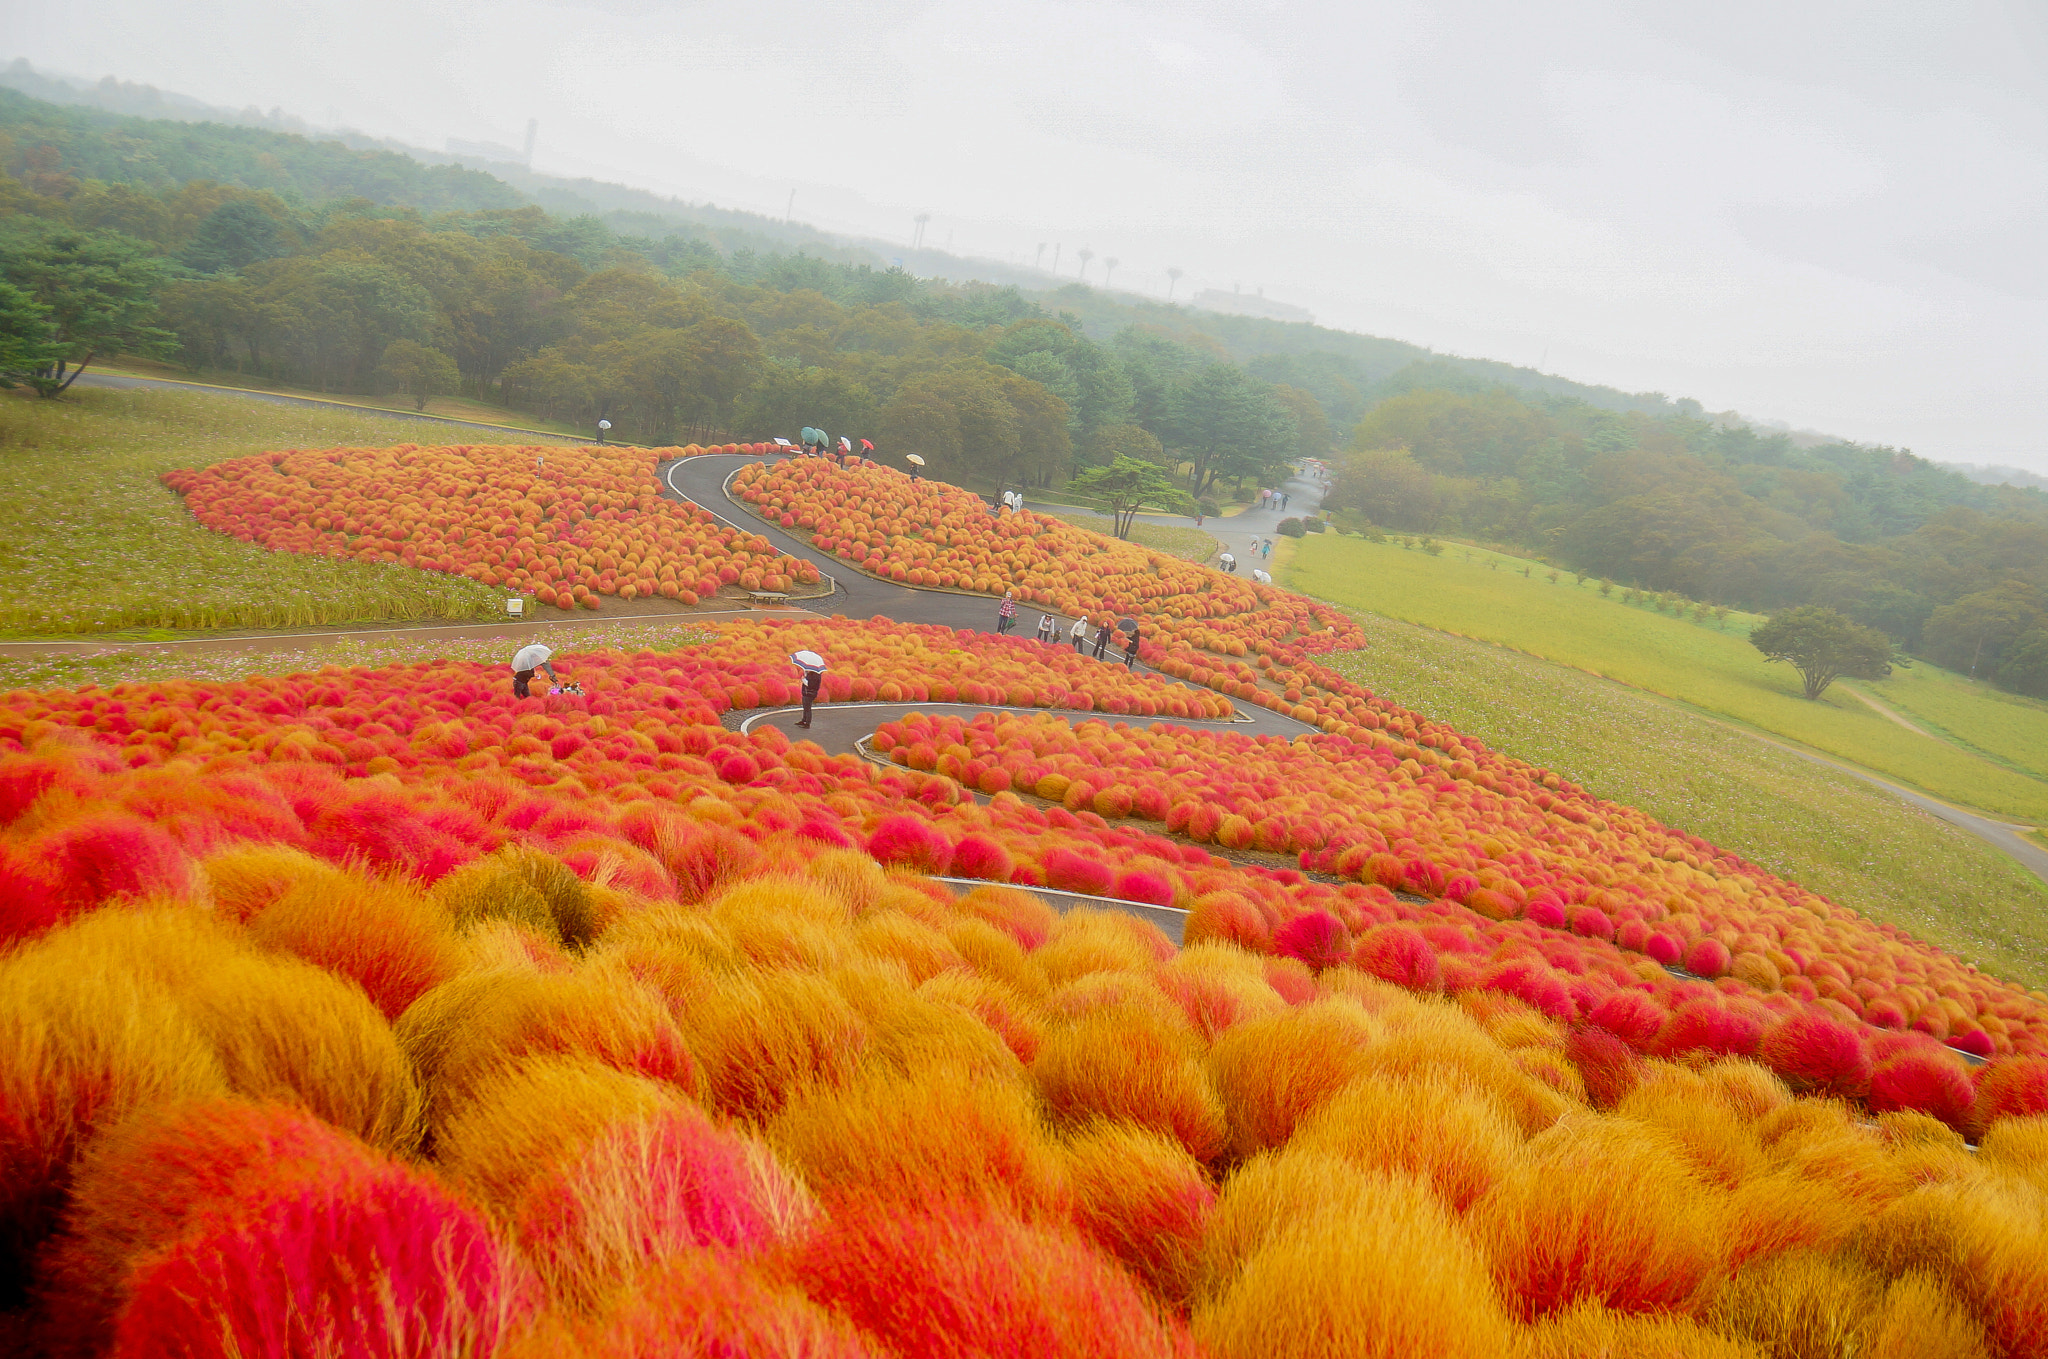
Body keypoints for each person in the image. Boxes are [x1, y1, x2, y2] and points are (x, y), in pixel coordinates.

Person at [792, 650, 827, 728]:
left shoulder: (815, 676)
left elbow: (810, 685)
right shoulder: (810, 673)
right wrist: (805, 675)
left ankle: (807, 723)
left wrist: (803, 680)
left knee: (807, 708)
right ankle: (804, 720)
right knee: (805, 707)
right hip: (806, 693)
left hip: (810, 693)